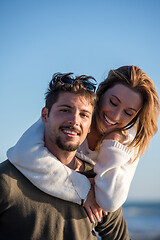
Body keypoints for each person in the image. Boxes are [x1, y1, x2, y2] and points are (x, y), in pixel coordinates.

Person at [7, 66, 160, 222]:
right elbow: (22, 154)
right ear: (101, 93)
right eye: (113, 102)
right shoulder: (73, 117)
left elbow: (110, 202)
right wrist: (84, 189)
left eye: (128, 113)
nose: (115, 115)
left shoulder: (125, 147)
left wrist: (112, 146)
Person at [0, 72, 130, 240]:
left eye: (84, 115)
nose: (74, 120)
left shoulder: (99, 182)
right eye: (65, 110)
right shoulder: (7, 180)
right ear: (45, 115)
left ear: (90, 125)